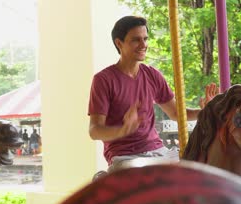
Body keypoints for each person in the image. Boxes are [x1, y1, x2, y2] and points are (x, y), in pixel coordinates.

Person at [88, 15, 217, 173]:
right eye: (136, 40)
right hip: (125, 157)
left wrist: (205, 111)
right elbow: (94, 130)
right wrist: (122, 130)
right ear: (119, 43)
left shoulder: (152, 75)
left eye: (145, 39)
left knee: (202, 168)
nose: (143, 45)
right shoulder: (104, 79)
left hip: (159, 152)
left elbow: (176, 113)